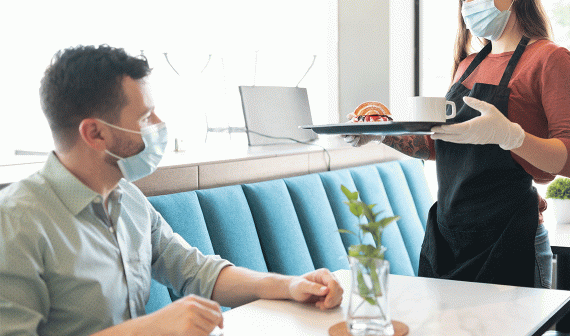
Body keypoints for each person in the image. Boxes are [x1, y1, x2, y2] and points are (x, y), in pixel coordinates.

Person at [0, 45, 343, 336]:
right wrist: (148, 329)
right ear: (95, 134)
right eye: (145, 117)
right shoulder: (16, 222)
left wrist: (290, 286)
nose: (159, 126)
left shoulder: (127, 197)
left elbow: (196, 271)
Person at [345, 0, 570, 289]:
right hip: (448, 238)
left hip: (510, 238)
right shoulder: (467, 65)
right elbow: (438, 145)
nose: (469, 4)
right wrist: (381, 134)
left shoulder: (551, 59)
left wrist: (511, 136)